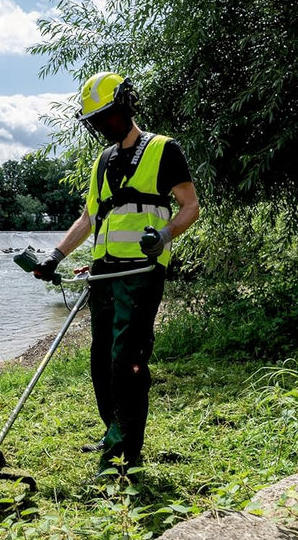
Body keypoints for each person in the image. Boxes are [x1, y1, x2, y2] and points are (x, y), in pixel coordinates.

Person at [33, 72, 200, 477]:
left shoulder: (164, 150)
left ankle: (123, 456)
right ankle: (114, 431)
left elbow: (191, 205)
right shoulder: (103, 161)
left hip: (143, 270)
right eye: (96, 122)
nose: (101, 127)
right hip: (104, 273)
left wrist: (164, 234)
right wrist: (55, 255)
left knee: (128, 359)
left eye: (106, 118)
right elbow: (91, 216)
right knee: (102, 359)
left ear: (126, 108)